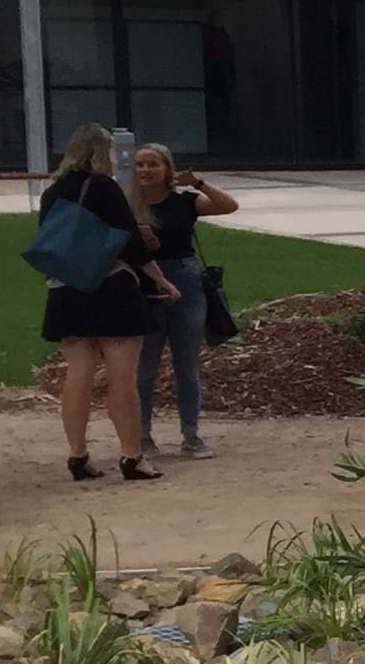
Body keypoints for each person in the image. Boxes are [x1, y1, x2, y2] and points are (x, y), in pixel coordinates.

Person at [37, 123, 175, 482]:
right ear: (103, 152)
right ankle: (131, 455)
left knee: (77, 374)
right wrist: (160, 279)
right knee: (121, 377)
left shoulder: (52, 192)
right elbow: (130, 242)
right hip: (112, 287)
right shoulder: (104, 187)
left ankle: (77, 454)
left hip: (67, 288)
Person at [129, 142, 238, 461]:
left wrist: (199, 183)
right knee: (145, 366)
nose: (146, 170)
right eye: (140, 164)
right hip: (145, 284)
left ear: (167, 169)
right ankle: (142, 435)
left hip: (186, 280)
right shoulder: (128, 204)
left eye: (153, 164)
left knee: (187, 364)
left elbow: (228, 206)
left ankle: (191, 434)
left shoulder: (185, 201)